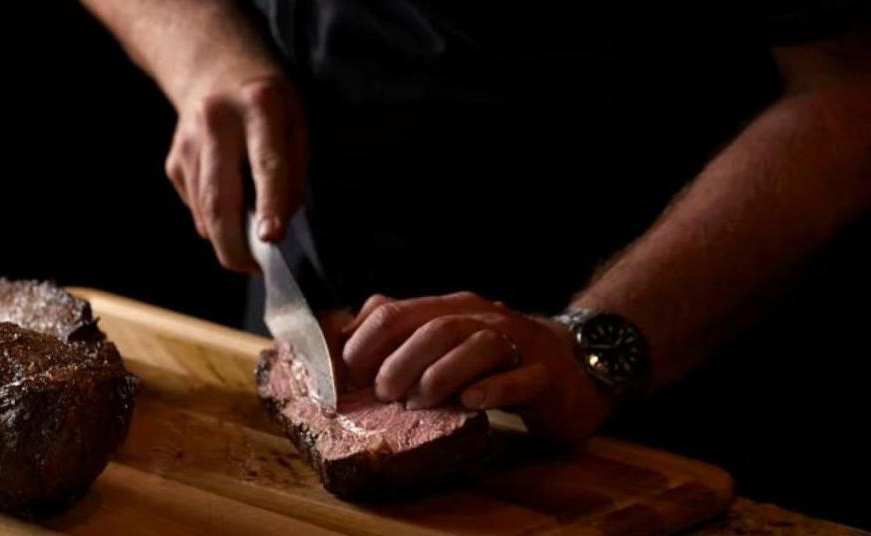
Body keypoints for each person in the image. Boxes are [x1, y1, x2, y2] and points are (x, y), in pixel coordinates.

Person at [82, 0, 870, 523]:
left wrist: (598, 345)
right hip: (311, 307)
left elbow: (846, 88)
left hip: (643, 391)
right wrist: (205, 56)